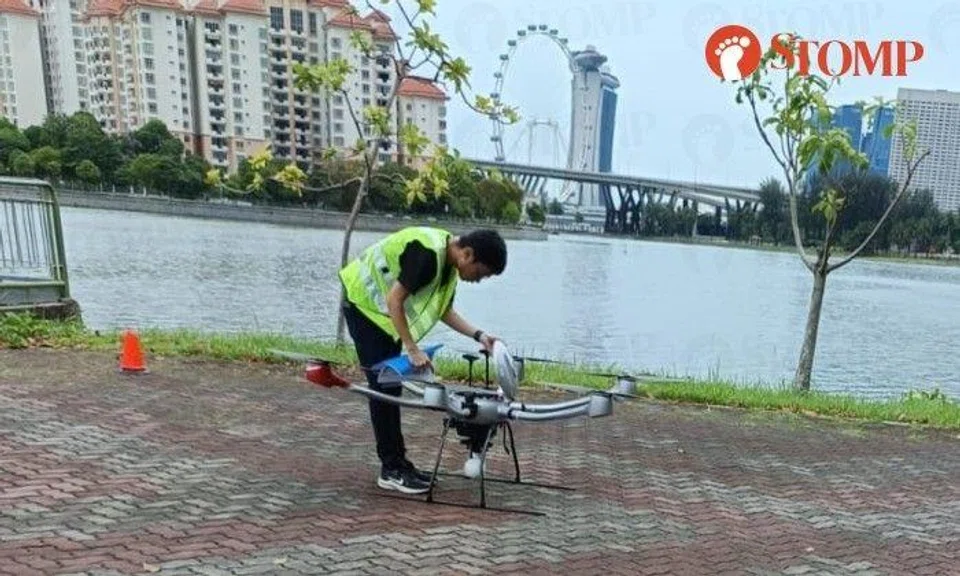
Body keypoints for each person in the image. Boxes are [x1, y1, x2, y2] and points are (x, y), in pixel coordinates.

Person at [338, 226, 508, 494]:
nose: (478, 280)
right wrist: (411, 348)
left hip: (382, 318)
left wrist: (479, 335)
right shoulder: (427, 255)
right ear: (467, 254)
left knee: (389, 386)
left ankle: (400, 464)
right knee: (383, 389)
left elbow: (445, 312)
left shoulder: (449, 267)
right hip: (363, 307)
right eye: (481, 273)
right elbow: (394, 300)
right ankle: (391, 468)